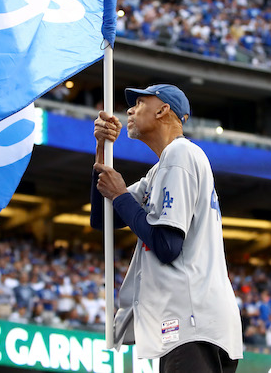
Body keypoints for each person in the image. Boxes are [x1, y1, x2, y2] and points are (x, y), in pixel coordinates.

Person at [90, 84, 243, 372]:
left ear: (163, 110)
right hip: (196, 324)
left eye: (139, 102)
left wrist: (121, 195)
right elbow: (103, 219)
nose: (130, 110)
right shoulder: (161, 168)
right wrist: (102, 151)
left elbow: (167, 245)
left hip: (191, 322)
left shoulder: (180, 154)